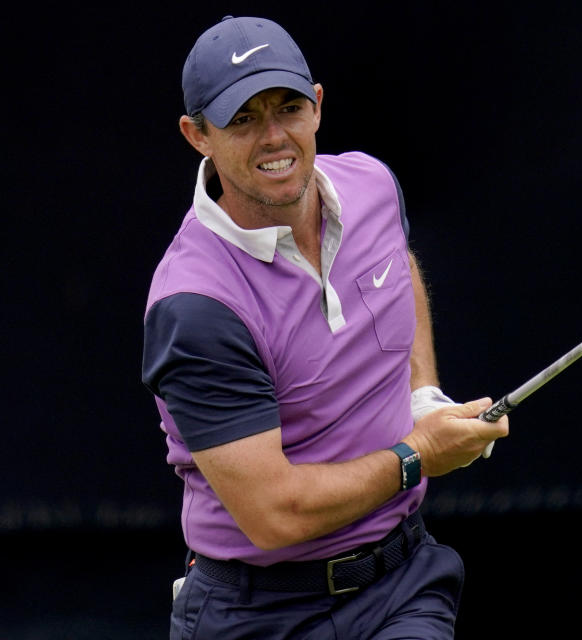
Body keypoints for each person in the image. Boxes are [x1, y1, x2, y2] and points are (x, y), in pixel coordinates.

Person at [141, 15, 508, 639]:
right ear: (196, 134)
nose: (274, 136)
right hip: (260, 614)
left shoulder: (370, 184)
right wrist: (419, 455)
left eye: (287, 107)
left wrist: (422, 392)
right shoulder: (197, 306)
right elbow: (273, 515)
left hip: (403, 582)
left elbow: (398, 264)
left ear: (317, 105)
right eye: (243, 119)